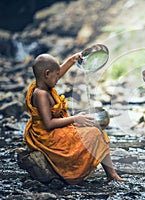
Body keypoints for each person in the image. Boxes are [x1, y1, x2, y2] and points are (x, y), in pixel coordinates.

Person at [24, 53, 121, 184]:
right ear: (47, 74)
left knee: (93, 128)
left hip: (55, 128)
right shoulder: (41, 94)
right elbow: (48, 124)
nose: (59, 78)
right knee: (94, 133)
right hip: (47, 135)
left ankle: (111, 174)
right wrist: (75, 119)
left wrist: (71, 60)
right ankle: (107, 174)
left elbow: (56, 73)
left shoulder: (44, 84)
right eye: (57, 75)